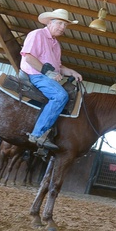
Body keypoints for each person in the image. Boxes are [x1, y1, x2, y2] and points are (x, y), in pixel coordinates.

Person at [20, 8, 83, 150]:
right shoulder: (37, 34)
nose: (63, 28)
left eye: (65, 25)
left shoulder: (56, 44)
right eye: (60, 23)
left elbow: (57, 67)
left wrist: (71, 72)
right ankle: (37, 134)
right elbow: (29, 57)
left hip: (44, 76)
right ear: (49, 22)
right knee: (60, 96)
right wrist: (48, 73)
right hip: (34, 74)